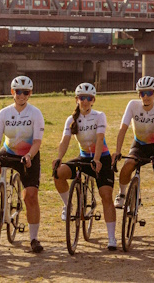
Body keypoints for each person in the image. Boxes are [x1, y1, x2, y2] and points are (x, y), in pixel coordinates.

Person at [0, 76, 45, 253]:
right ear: (12, 92)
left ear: (30, 93)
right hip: (8, 151)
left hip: (29, 154)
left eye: (26, 92)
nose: (21, 95)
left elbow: (37, 142)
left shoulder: (35, 113)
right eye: (18, 92)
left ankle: (34, 238)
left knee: (31, 196)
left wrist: (29, 155)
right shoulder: (4, 113)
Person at [52, 83, 117, 250]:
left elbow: (100, 138)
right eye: (82, 98)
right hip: (83, 157)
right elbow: (65, 141)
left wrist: (97, 159)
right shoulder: (71, 119)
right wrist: (59, 158)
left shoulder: (99, 116)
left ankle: (111, 237)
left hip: (101, 158)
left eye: (89, 98)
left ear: (93, 100)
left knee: (106, 196)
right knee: (58, 173)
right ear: (77, 99)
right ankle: (68, 206)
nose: (85, 101)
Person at [112, 75, 154, 244]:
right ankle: (122, 193)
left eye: (149, 93)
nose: (145, 96)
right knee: (127, 165)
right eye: (142, 93)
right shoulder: (132, 105)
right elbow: (123, 129)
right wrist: (117, 151)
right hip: (139, 144)